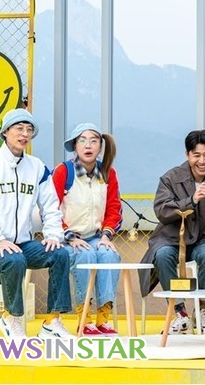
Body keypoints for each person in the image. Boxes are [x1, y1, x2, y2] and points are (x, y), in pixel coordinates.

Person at [0, 108, 74, 341]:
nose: (24, 134)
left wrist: (53, 235)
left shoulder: (37, 167)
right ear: (5, 132)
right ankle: (11, 318)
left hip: (20, 243)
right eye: (19, 128)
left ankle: (52, 322)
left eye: (29, 130)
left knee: (60, 253)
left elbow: (51, 206)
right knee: (15, 259)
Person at [139, 129, 205, 335]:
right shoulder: (170, 178)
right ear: (187, 154)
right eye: (196, 155)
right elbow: (162, 211)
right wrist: (191, 200)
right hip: (173, 238)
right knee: (162, 254)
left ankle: (201, 310)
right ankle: (180, 313)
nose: (202, 161)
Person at [52, 123, 122, 337]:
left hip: (96, 236)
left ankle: (103, 318)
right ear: (75, 147)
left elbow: (114, 208)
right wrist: (69, 237)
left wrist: (107, 235)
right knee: (85, 254)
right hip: (67, 237)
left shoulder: (108, 173)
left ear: (100, 146)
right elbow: (50, 208)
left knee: (109, 255)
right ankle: (85, 319)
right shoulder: (64, 171)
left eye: (93, 141)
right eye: (82, 141)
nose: (88, 145)